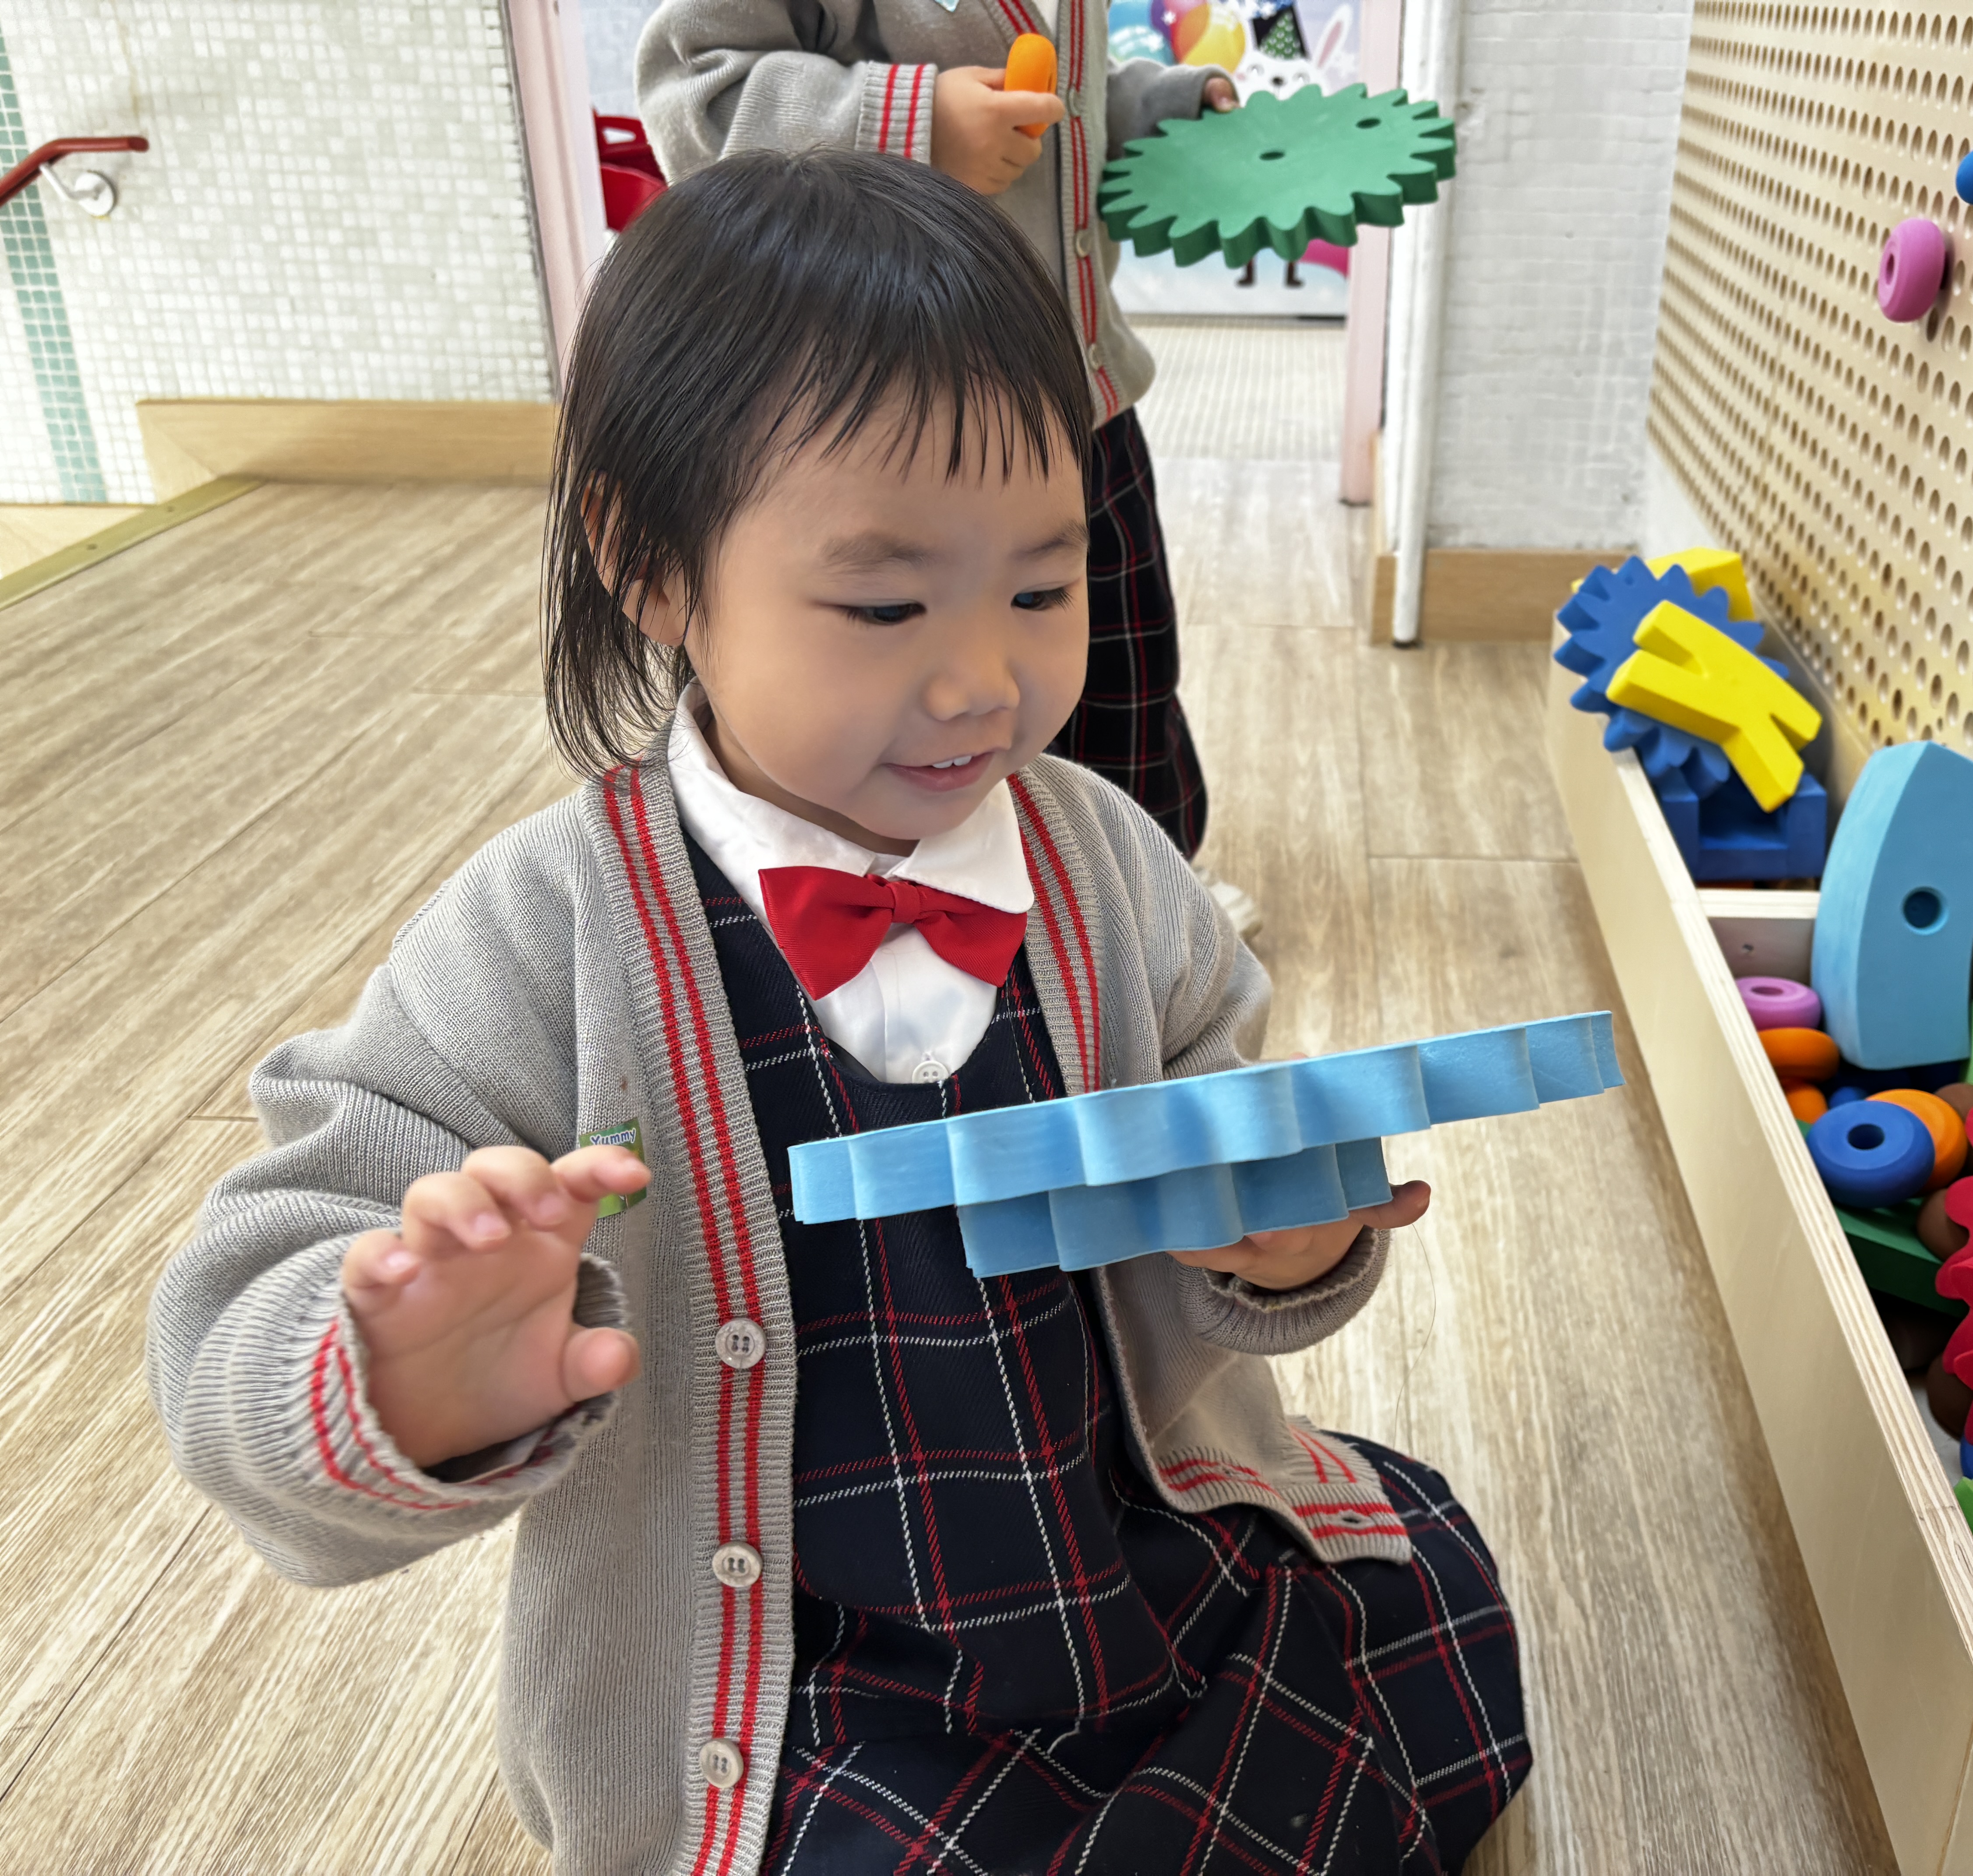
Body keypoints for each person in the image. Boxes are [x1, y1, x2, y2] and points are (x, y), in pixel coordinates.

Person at [148, 152, 1526, 1876]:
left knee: (1417, 1626)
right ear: (652, 565)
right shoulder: (535, 934)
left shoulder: (1102, 856)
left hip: (1117, 1547)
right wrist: (395, 1376)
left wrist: (1274, 1241)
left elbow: (1217, 1113)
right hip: (800, 1685)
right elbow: (247, 1295)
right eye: (883, 605)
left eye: (1041, 588)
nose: (983, 679)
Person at [637, 0, 1265, 939]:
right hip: (882, 435)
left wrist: (1155, 107)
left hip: (1081, 407)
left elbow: (1062, 93)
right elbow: (696, 92)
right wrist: (914, 125)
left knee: (1126, 674)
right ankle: (906, 899)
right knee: (906, 702)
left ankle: (1142, 896)